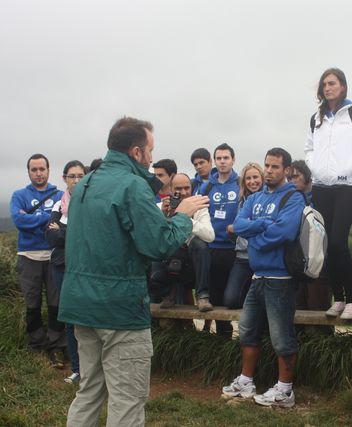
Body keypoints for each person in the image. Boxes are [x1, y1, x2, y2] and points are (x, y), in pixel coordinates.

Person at [58, 117, 208, 427]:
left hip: (81, 305)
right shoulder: (133, 185)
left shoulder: (86, 183)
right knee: (127, 399)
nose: (153, 159)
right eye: (151, 151)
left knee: (89, 391)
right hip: (121, 310)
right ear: (136, 152)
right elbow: (159, 246)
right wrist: (182, 217)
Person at [222, 148, 305, 408]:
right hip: (257, 275)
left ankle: (285, 391)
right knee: (247, 330)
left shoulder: (293, 198)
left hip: (280, 278)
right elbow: (237, 224)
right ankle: (246, 381)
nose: (269, 171)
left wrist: (253, 233)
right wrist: (263, 225)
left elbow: (284, 233)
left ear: (287, 170)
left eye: (275, 167)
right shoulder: (254, 198)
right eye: (267, 165)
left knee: (281, 336)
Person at [305, 67, 352, 320]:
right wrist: (313, 166)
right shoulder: (316, 118)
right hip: (321, 187)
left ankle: (351, 300)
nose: (328, 88)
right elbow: (309, 148)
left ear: (343, 86)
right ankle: (338, 299)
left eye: (332, 83)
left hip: (347, 186)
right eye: (324, 84)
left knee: (338, 241)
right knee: (326, 245)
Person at [10, 153, 64, 365]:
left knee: (55, 304)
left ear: (48, 171)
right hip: (28, 256)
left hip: (54, 256)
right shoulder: (18, 195)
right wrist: (48, 220)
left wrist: (32, 219)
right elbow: (19, 221)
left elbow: (63, 223)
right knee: (32, 304)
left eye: (42, 169)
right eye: (34, 169)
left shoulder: (60, 195)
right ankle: (36, 344)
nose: (39, 173)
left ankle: (56, 346)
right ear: (29, 172)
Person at [45, 160, 85, 384]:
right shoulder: (58, 205)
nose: (76, 180)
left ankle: (92, 368)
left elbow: (88, 235)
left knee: (88, 317)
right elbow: (50, 236)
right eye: (72, 176)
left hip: (85, 268)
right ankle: (78, 369)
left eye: (81, 176)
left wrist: (63, 232)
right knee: (70, 318)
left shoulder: (90, 202)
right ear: (64, 178)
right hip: (61, 267)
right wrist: (69, 234)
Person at [150, 173, 215, 310]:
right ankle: (167, 293)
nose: (184, 193)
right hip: (168, 264)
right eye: (179, 189)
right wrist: (163, 217)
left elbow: (210, 235)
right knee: (159, 249)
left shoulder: (199, 207)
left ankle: (202, 296)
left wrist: (184, 217)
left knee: (200, 244)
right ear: (171, 190)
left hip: (191, 265)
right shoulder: (158, 207)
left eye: (187, 188)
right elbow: (151, 237)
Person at [289, 160, 332, 328]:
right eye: (289, 177)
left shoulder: (321, 198)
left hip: (320, 262)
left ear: (307, 176)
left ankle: (323, 351)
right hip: (296, 262)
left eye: (296, 176)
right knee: (297, 310)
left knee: (319, 310)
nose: (292, 180)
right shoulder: (290, 199)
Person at [203, 142, 240, 336]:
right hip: (213, 246)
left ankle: (243, 336)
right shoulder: (207, 186)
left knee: (232, 295)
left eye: (226, 158)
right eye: (219, 158)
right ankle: (222, 337)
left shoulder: (240, 183)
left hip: (234, 248)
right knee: (216, 294)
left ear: (233, 160)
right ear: (214, 161)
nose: (223, 161)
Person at [223, 162, 264, 309]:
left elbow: (265, 227)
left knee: (263, 300)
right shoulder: (242, 202)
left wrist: (244, 227)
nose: (252, 181)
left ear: (262, 178)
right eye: (248, 178)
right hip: (242, 257)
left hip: (262, 257)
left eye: (255, 177)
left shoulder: (270, 199)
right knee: (231, 300)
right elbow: (237, 231)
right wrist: (232, 232)